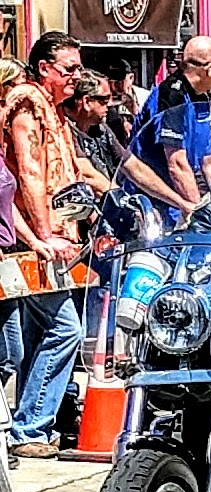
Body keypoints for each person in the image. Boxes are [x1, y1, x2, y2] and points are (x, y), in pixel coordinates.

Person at [0, 32, 85, 459]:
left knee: (36, 333)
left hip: (52, 235)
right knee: (65, 329)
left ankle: (33, 424)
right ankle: (30, 425)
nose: (76, 76)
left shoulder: (52, 109)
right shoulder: (28, 103)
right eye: (68, 68)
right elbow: (30, 172)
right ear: (44, 68)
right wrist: (45, 231)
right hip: (33, 238)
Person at [132, 35, 211, 206]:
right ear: (210, 68)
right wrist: (197, 210)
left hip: (181, 197)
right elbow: (176, 162)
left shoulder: (201, 98)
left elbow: (209, 161)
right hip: (155, 199)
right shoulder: (171, 96)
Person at [62, 68, 123, 187]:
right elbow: (88, 175)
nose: (109, 105)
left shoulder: (101, 128)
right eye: (104, 100)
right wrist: (118, 198)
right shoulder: (64, 129)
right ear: (87, 102)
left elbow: (128, 162)